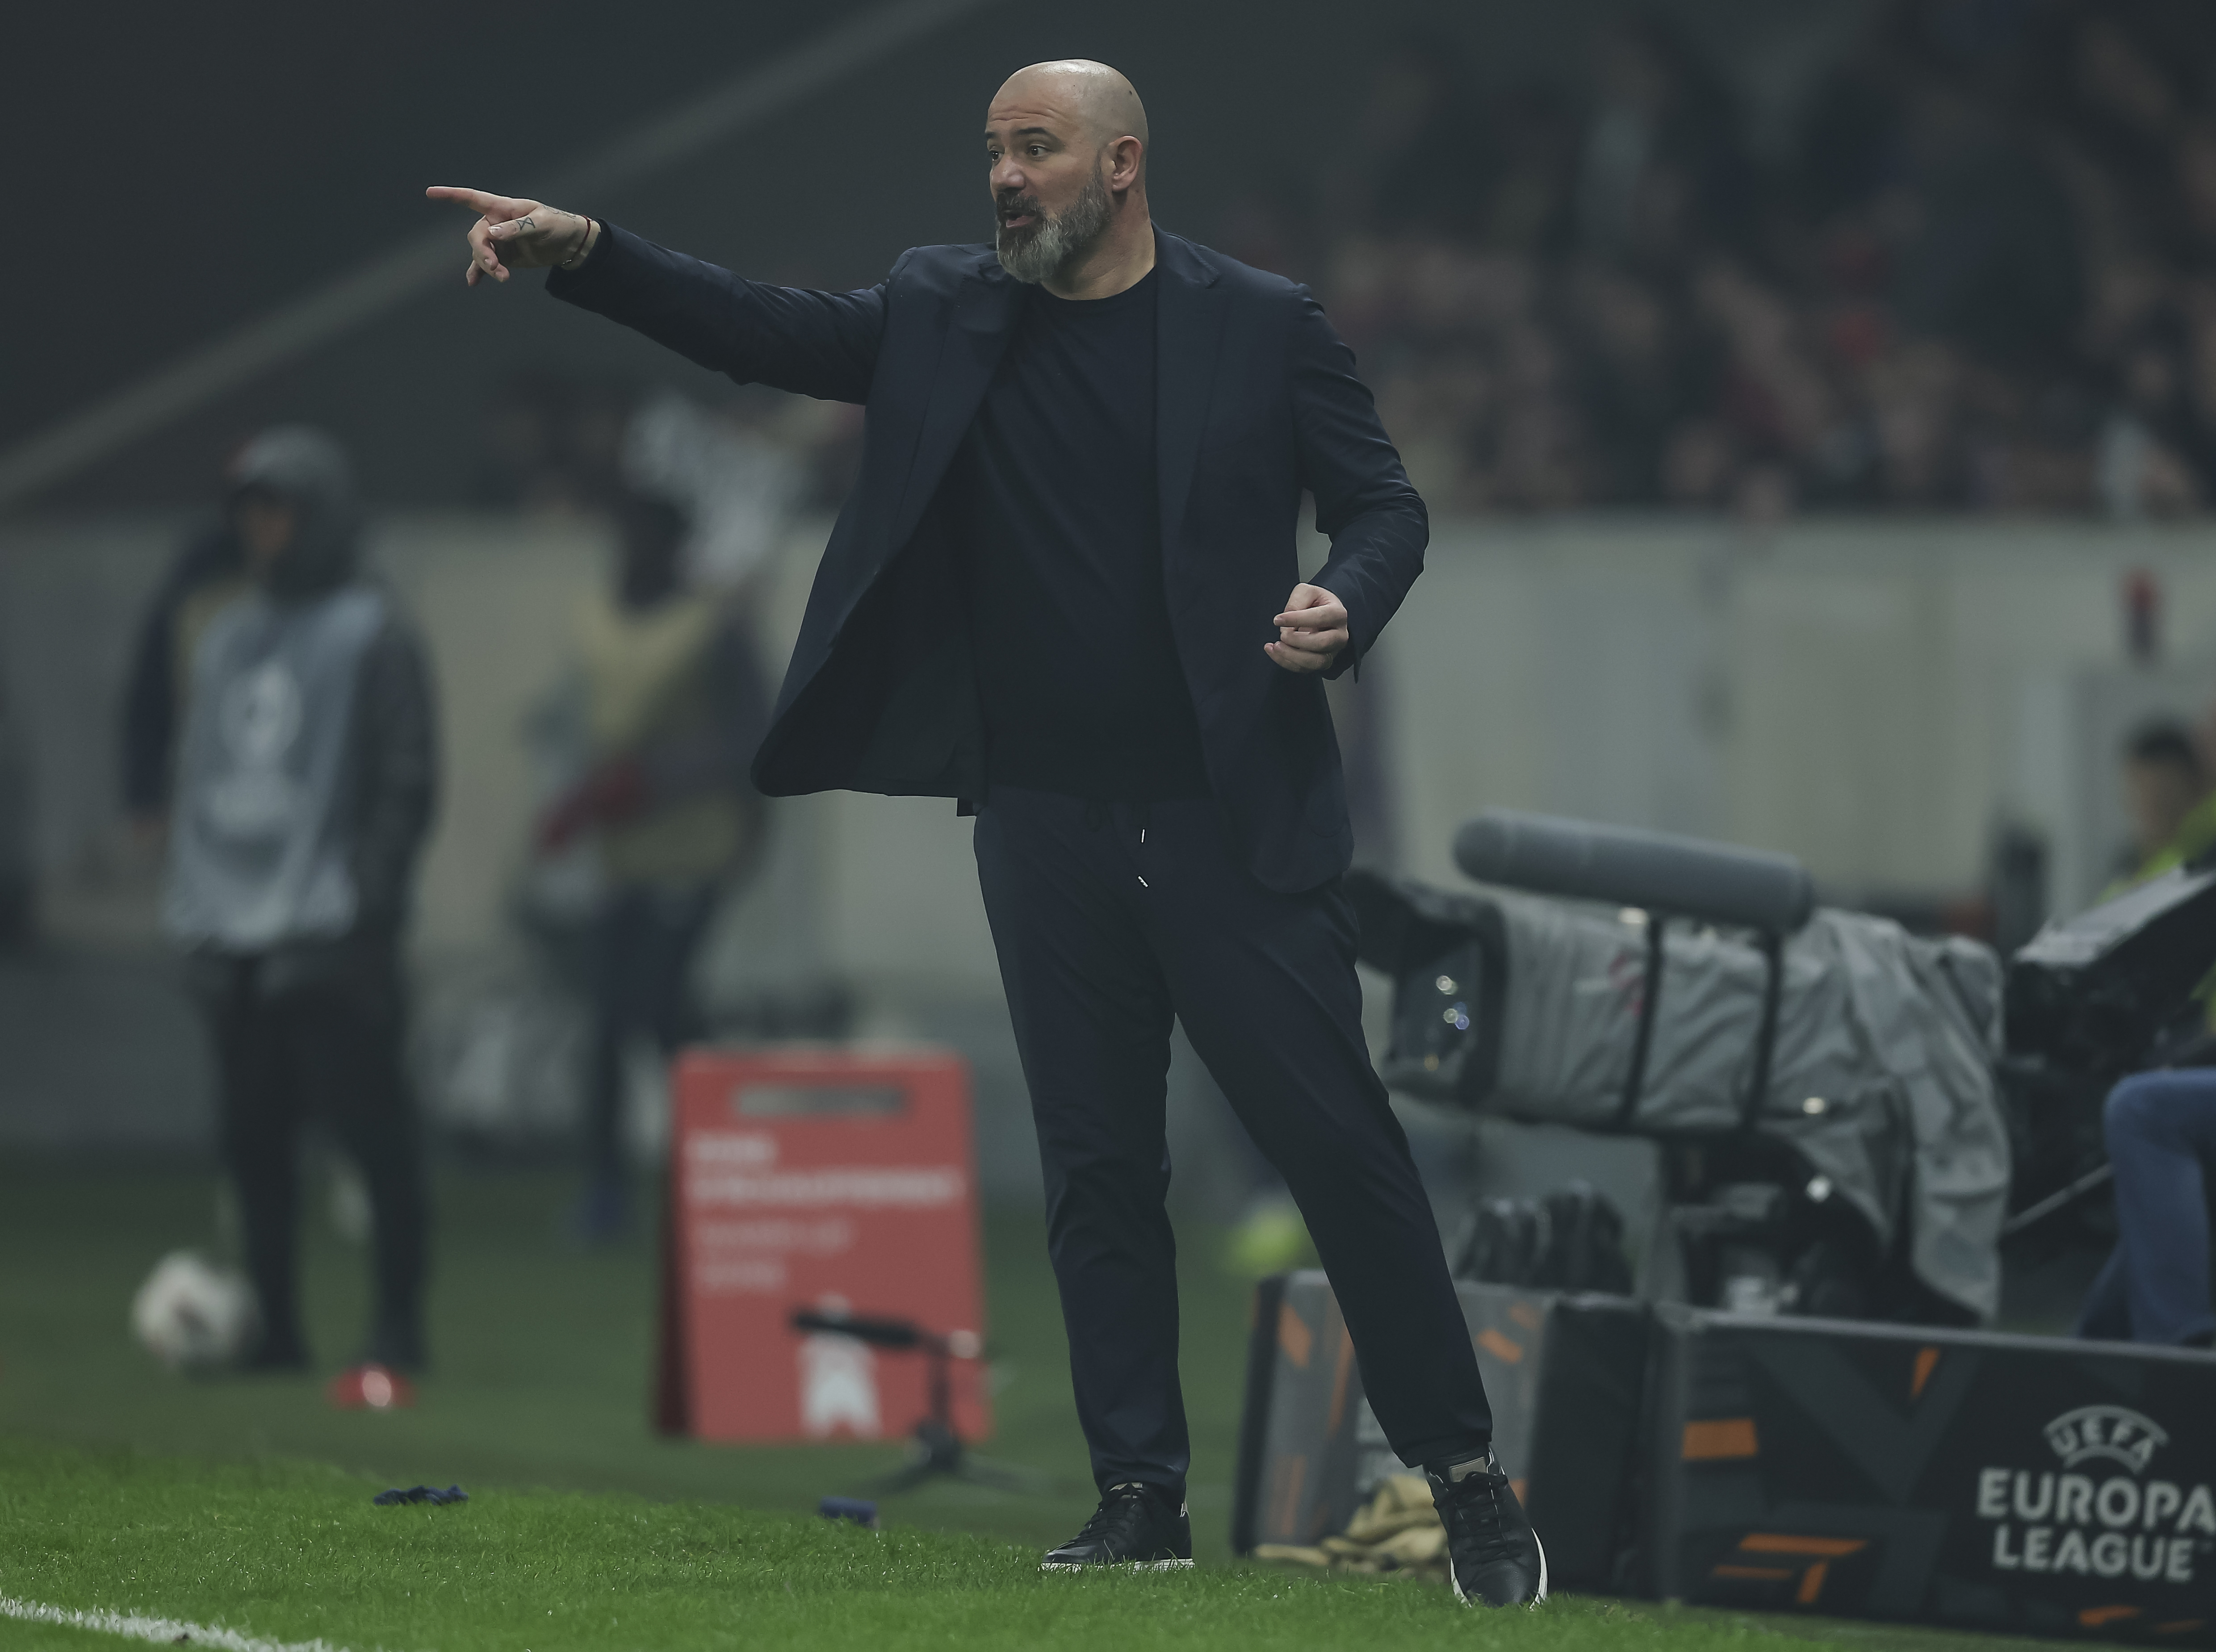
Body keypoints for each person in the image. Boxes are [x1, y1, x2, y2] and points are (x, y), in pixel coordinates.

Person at [429, 58, 1542, 1606]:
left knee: (1341, 1154)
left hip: (1225, 821)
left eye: (1038, 148)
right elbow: (763, 330)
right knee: (1097, 1169)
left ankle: (1465, 1479)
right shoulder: (946, 307)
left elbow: (1387, 507)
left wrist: (1345, 602)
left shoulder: (1258, 323)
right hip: (1040, 821)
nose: (1007, 175)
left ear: (1124, 166)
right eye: (994, 151)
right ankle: (1140, 1496)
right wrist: (593, 255)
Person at [158, 427, 438, 1375]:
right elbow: (200, 771)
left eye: (280, 507)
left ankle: (398, 1327)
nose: (263, 526)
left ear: (323, 515)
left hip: (329, 930)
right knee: (252, 1144)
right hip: (230, 929)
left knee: (371, 1138)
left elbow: (407, 780)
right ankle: (276, 1331)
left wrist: (370, 899)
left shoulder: (374, 629)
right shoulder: (225, 628)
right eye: (251, 509)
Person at [540, 490, 771, 1241]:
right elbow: (588, 725)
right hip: (619, 853)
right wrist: (574, 802)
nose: (629, 550)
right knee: (612, 1020)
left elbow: (750, 738)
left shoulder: (712, 628)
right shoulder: (594, 619)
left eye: (644, 536)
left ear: (675, 546)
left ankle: (716, 1170)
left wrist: (657, 779)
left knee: (656, 1007)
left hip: (693, 847)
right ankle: (607, 1187)